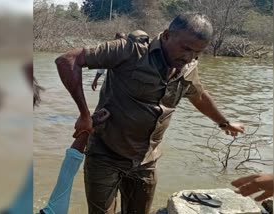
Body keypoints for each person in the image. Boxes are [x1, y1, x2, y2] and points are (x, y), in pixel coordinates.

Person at [55, 13, 245, 214]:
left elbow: (198, 96)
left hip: (146, 161)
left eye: (197, 52)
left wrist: (224, 123)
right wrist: (84, 114)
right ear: (166, 36)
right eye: (186, 48)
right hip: (106, 155)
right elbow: (68, 60)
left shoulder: (189, 68)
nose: (189, 57)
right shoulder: (130, 51)